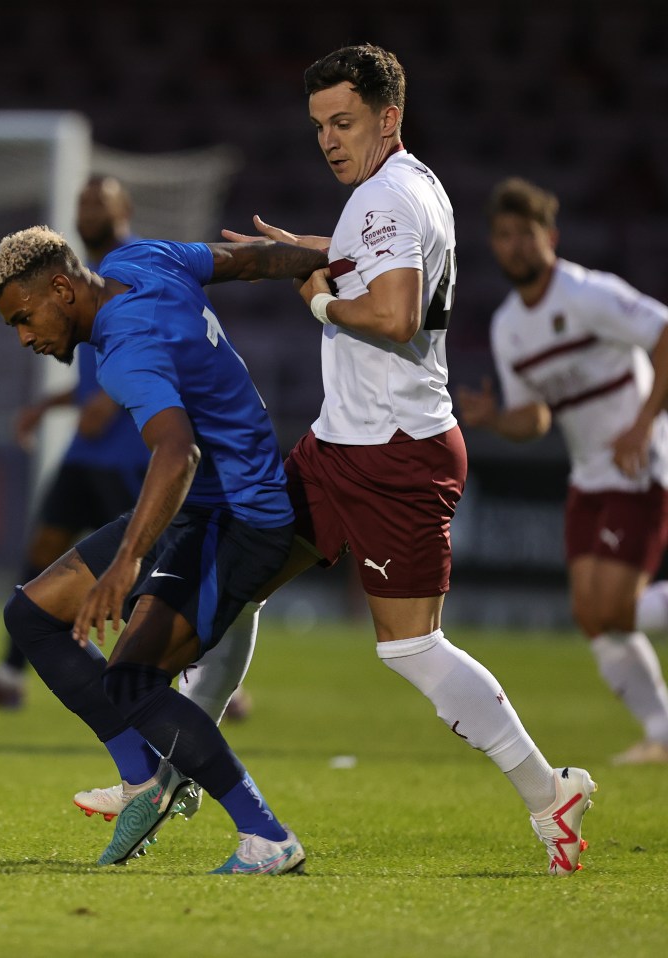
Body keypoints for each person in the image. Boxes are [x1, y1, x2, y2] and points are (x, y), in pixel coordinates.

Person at [210, 44, 597, 877]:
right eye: (318, 125)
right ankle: (163, 768)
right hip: (340, 443)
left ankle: (546, 791)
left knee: (410, 649)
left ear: (390, 116)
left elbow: (392, 314)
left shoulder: (384, 197)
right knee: (233, 576)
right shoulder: (407, 187)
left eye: (343, 121)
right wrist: (312, 249)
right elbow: (377, 253)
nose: (327, 139)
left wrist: (310, 291)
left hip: (394, 453)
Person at [0, 224, 329, 873]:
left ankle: (266, 837)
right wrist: (331, 253)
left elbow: (178, 451)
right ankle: (142, 781)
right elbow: (250, 263)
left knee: (132, 681)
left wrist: (128, 561)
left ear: (61, 287)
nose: (27, 338)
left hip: (239, 516)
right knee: (31, 615)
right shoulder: (142, 258)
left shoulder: (122, 348)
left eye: (24, 319)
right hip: (201, 505)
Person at [0, 175, 254, 727]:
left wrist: (108, 403)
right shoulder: (66, 286)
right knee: (45, 550)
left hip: (137, 453)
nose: (86, 208)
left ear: (124, 209)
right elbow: (93, 371)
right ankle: (11, 675)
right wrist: (53, 405)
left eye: (97, 200)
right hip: (88, 453)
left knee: (149, 564)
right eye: (82, 201)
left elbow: (159, 356)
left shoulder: (134, 268)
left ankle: (202, 671)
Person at [457, 176, 668, 767]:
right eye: (503, 236)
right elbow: (538, 419)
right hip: (589, 475)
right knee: (591, 615)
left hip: (642, 465)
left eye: (525, 234)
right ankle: (663, 734)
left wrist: (642, 423)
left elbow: (664, 332)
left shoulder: (587, 294)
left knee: (617, 611)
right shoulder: (508, 328)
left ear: (549, 236)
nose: (515, 246)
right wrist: (497, 419)